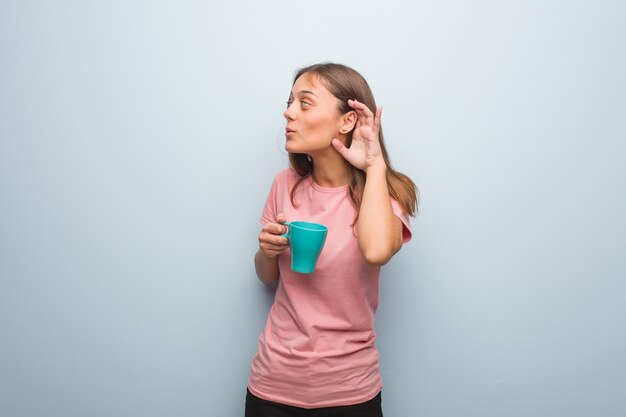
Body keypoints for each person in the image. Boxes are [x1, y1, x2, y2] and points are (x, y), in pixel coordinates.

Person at [245, 63, 418, 417]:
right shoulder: (284, 184)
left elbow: (376, 250)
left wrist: (374, 167)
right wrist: (267, 251)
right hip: (272, 385)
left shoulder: (382, 193)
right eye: (290, 102)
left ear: (347, 121)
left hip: (350, 392)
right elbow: (267, 276)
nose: (288, 112)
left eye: (304, 103)